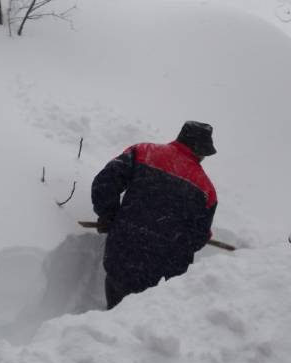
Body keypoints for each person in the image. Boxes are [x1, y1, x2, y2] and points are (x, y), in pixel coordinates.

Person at [91, 121, 218, 309]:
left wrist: (108, 215)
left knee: (115, 311)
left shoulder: (143, 152)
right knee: (144, 323)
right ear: (200, 151)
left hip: (122, 252)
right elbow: (198, 237)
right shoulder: (206, 189)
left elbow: (105, 182)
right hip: (162, 273)